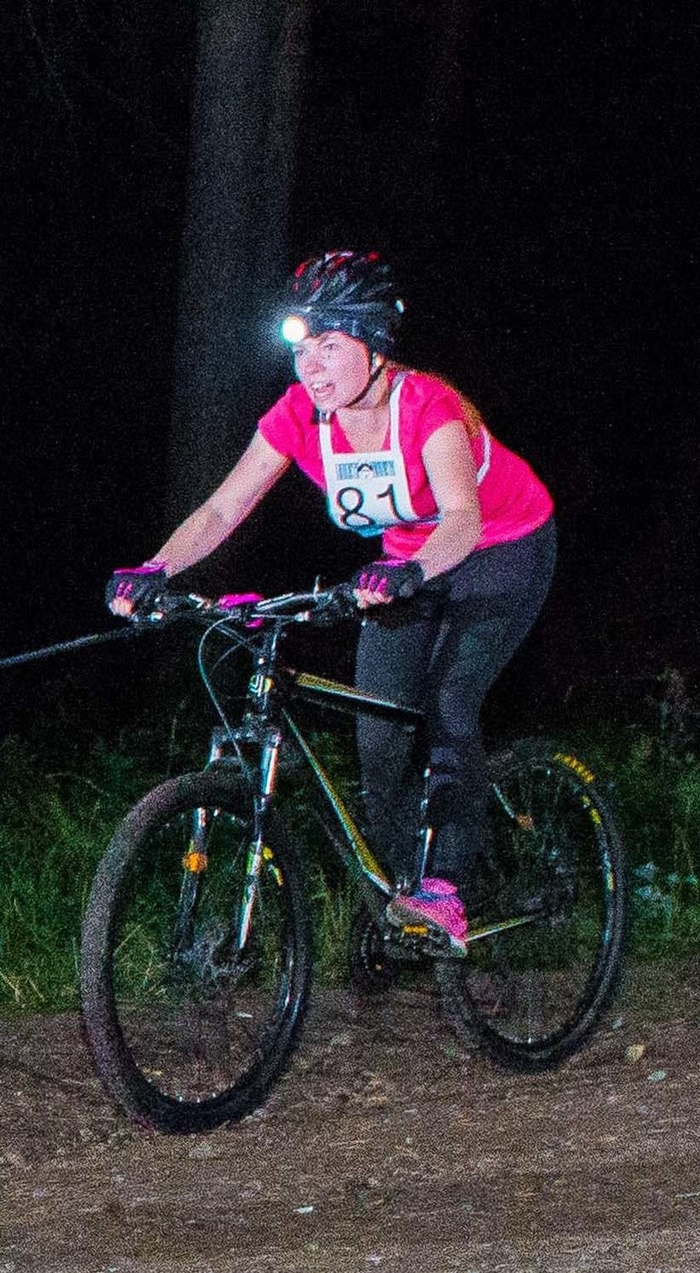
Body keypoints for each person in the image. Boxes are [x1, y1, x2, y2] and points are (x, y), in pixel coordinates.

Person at [106, 250, 556, 949]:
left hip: (501, 550)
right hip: (410, 559)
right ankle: (410, 895)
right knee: (378, 736)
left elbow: (462, 519)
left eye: (330, 347)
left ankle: (451, 886)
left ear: (374, 347)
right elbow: (224, 510)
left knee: (448, 699)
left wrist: (407, 574)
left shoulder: (427, 407)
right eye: (302, 349)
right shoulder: (300, 415)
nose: (310, 368)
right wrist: (156, 569)